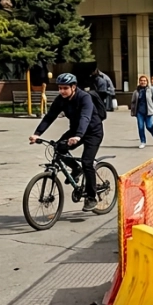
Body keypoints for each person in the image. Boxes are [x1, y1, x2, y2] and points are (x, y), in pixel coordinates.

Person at [30, 73, 105, 211]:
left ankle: (91, 197)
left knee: (87, 162)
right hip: (75, 131)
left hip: (92, 132)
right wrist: (37, 134)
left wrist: (78, 136)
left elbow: (85, 117)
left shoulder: (84, 98)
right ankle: (76, 169)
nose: (62, 91)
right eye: (60, 88)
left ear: (74, 87)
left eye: (65, 88)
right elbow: (49, 117)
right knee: (59, 148)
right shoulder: (61, 100)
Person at [128, 75, 153, 148]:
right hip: (140, 112)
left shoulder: (151, 90)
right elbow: (133, 102)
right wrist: (133, 111)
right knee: (141, 127)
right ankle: (143, 141)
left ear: (147, 82)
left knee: (149, 126)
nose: (143, 82)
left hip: (149, 111)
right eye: (141, 80)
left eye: (144, 80)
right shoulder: (136, 91)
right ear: (139, 82)